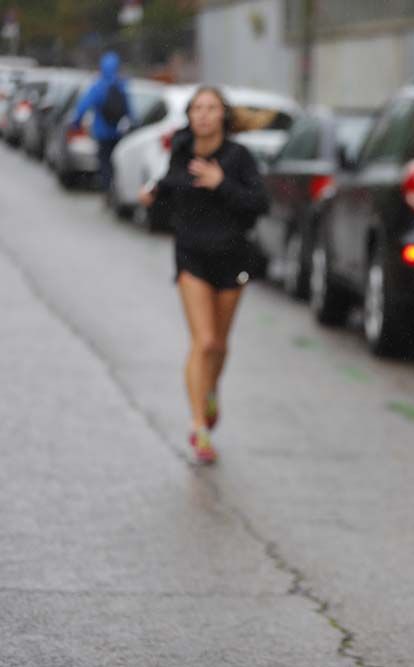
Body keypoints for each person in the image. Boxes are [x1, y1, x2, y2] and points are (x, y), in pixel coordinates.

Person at [138, 86, 268, 463]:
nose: (204, 115)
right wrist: (153, 194)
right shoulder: (181, 149)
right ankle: (199, 427)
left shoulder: (239, 157)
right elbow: (170, 185)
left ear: (223, 116)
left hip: (232, 258)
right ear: (190, 115)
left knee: (221, 344)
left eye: (211, 109)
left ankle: (211, 391)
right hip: (191, 255)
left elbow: (259, 203)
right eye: (197, 109)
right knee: (205, 340)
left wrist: (221, 183)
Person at [71, 51, 133, 192]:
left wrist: (76, 123)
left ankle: (107, 190)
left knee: (104, 163)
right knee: (115, 162)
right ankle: (115, 188)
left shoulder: (98, 86)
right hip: (118, 133)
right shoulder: (122, 85)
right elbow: (130, 110)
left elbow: (83, 106)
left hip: (102, 133)